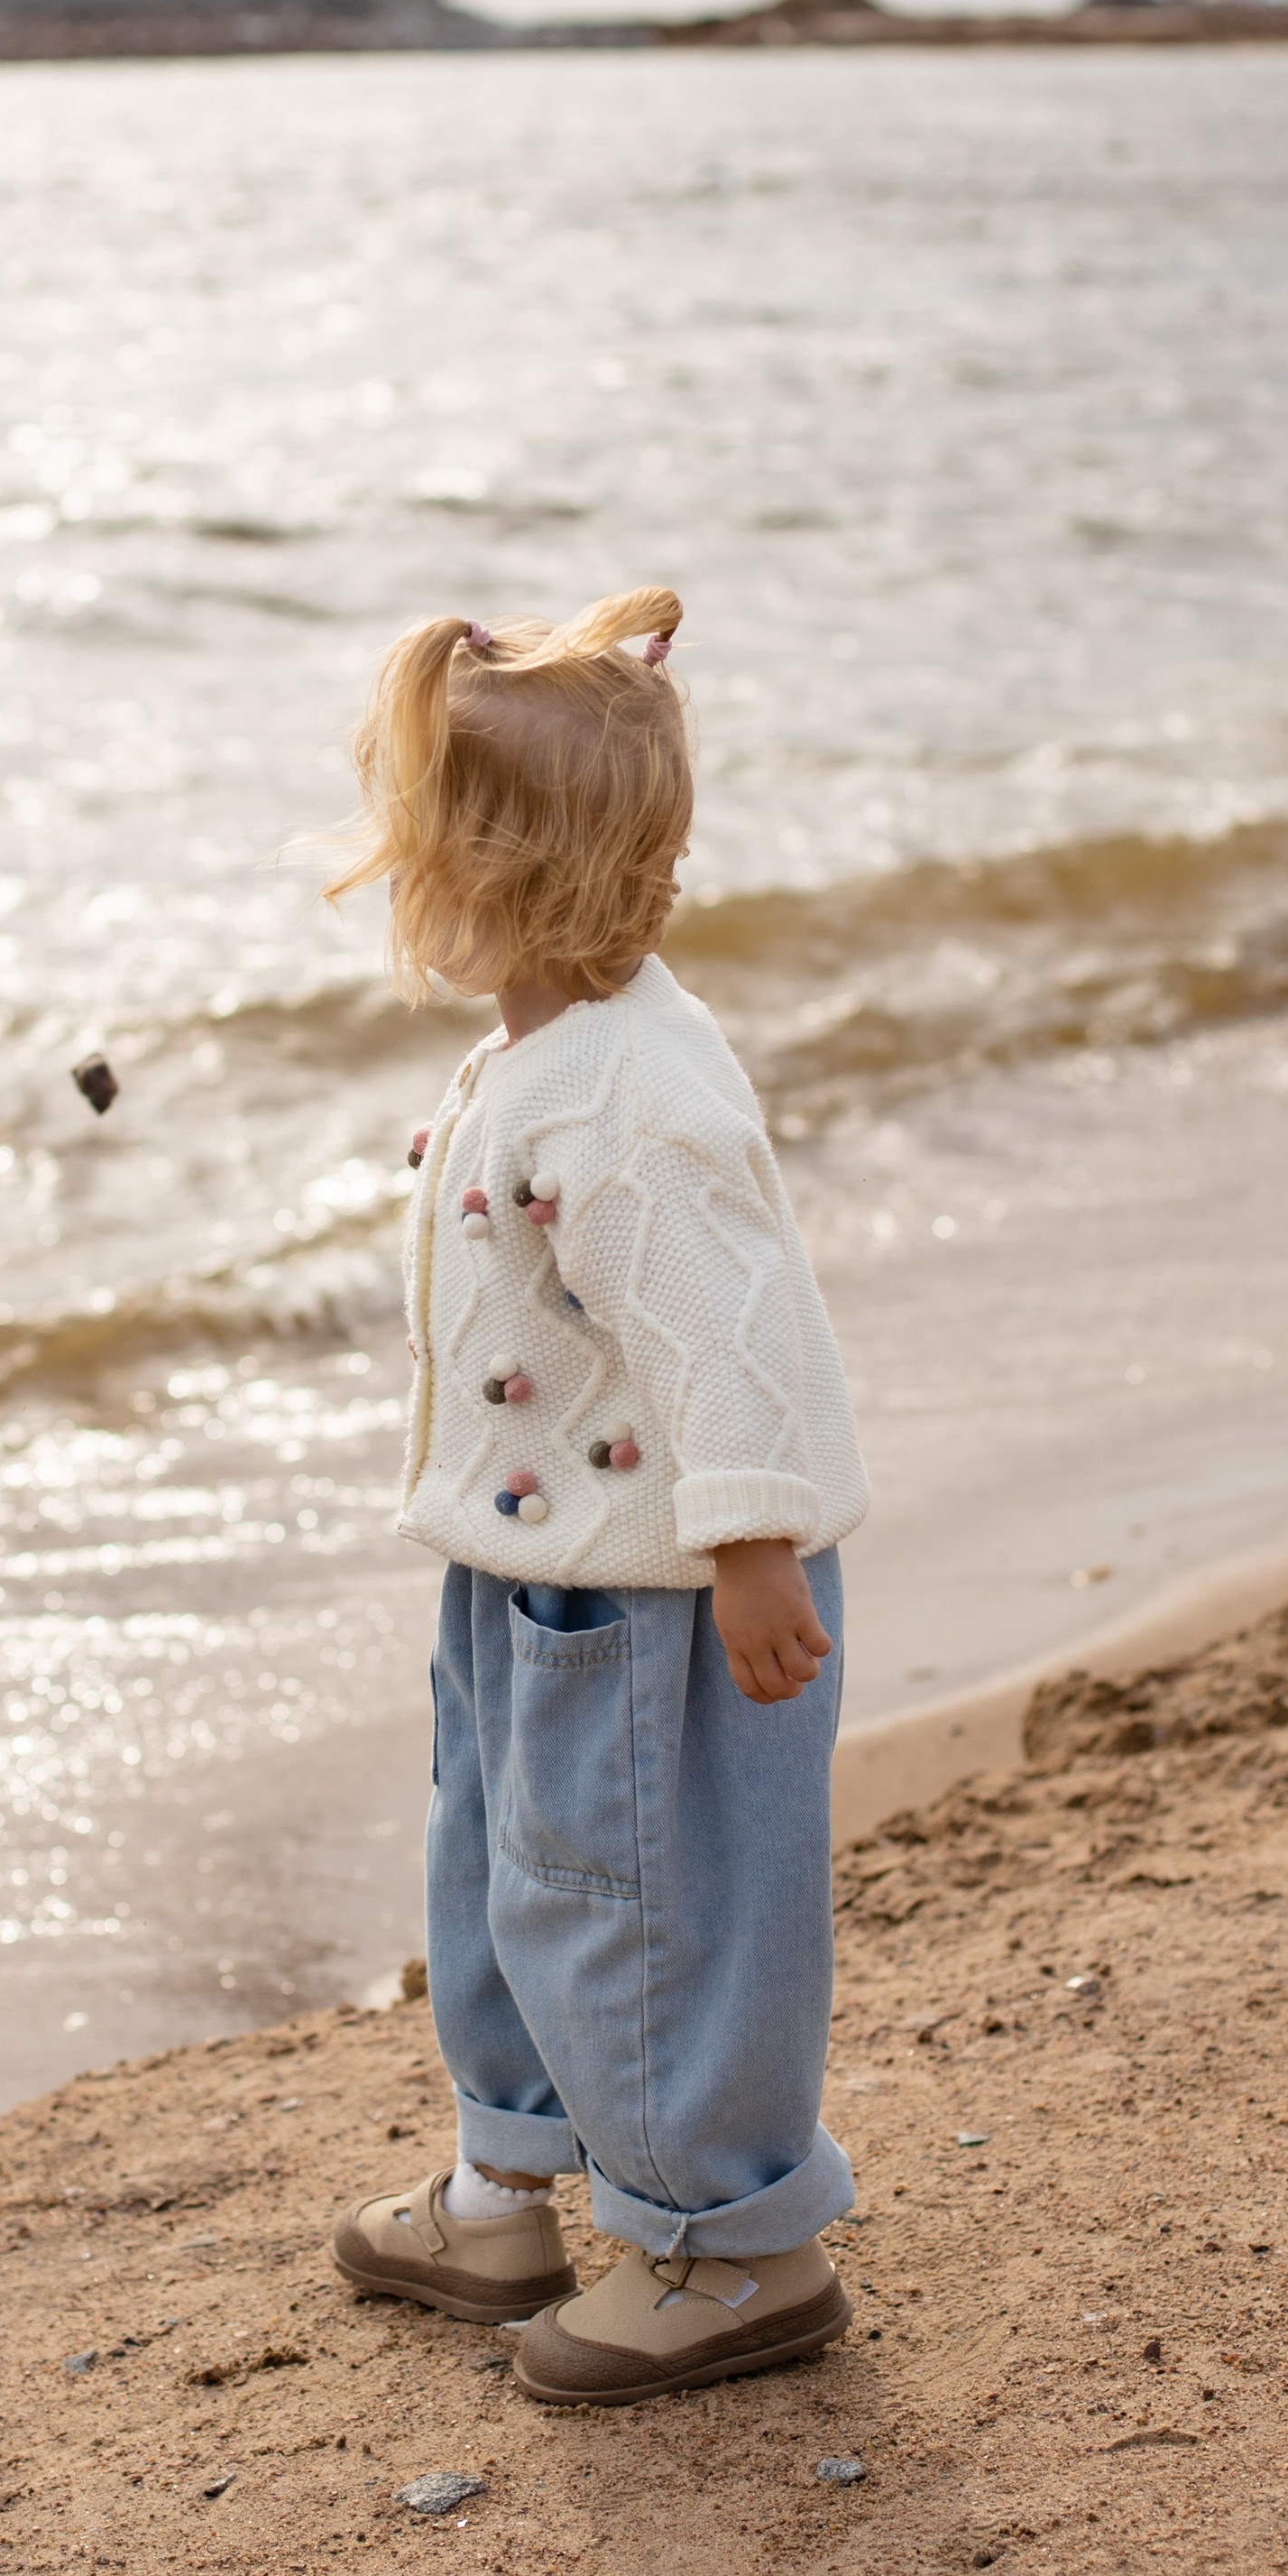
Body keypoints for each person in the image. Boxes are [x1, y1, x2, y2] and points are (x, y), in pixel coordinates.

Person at [323, 586, 870, 2405]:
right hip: (532, 1558)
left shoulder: (626, 1100)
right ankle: (505, 2181)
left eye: (411, 844)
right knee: (499, 1866)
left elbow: (727, 1334)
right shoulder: (549, 1042)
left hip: (663, 1584)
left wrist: (749, 1552)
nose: (391, 875)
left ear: (492, 872)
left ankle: (728, 2250)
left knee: (637, 1894)